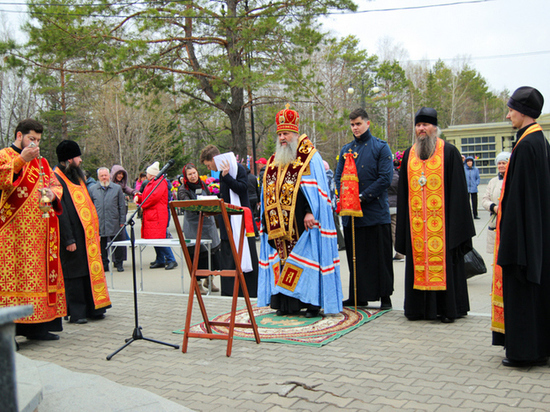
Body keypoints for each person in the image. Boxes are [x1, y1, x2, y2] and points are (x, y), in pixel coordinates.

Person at [257, 106, 342, 317]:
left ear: (296, 133)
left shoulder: (309, 156)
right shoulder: (275, 159)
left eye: (286, 133)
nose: (282, 137)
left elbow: (313, 190)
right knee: (283, 261)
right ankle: (287, 305)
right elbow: (268, 191)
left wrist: (309, 212)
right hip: (280, 225)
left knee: (308, 261)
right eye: (279, 134)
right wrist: (266, 220)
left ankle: (312, 304)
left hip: (303, 222)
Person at [396, 107, 475, 323]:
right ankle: (418, 309)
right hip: (417, 231)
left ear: (435, 128)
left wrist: (456, 229)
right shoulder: (408, 156)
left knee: (445, 265)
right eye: (418, 125)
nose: (421, 129)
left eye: (426, 125)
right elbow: (403, 195)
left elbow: (459, 194)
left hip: (444, 229)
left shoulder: (449, 152)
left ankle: (447, 309)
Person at [494, 86, 550, 367]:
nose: (508, 115)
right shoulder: (537, 139)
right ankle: (538, 347)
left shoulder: (527, 145)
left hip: (523, 239)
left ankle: (524, 352)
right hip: (535, 234)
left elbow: (519, 200)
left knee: (523, 295)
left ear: (524, 112)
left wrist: (513, 244)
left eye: (511, 110)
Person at [0, 119, 66, 341]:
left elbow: (55, 185)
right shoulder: (5, 155)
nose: (35, 144)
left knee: (36, 280)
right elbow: (3, 181)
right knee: (13, 281)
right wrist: (20, 161)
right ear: (19, 136)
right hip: (11, 235)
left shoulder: (42, 162)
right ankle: (8, 335)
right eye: (32, 139)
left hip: (39, 234)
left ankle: (37, 328)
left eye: (38, 140)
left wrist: (52, 194)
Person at [335, 108, 394, 310]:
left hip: (375, 213)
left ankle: (385, 296)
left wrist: (361, 197)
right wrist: (342, 197)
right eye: (352, 125)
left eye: (358, 123)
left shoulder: (381, 147)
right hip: (353, 216)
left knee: (380, 258)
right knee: (356, 258)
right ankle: (357, 295)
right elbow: (338, 177)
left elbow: (385, 178)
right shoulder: (346, 150)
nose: (355, 128)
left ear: (367, 123)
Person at [54, 140, 111, 324]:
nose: (80, 161)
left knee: (88, 270)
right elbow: (61, 212)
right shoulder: (56, 178)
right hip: (70, 235)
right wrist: (68, 238)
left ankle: (94, 309)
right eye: (78, 157)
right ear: (69, 159)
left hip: (87, 235)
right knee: (74, 273)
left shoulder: (77, 177)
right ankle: (77, 312)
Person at [200, 144, 258, 297]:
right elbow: (224, 198)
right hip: (227, 221)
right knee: (228, 256)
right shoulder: (222, 173)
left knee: (245, 255)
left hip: (241, 221)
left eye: (208, 165)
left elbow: (242, 188)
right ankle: (229, 292)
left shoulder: (237, 169)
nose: (209, 168)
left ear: (213, 159)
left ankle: (249, 291)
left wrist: (227, 178)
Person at [177, 163, 221, 294]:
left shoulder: (203, 185)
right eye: (190, 174)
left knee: (213, 254)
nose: (193, 176)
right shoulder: (183, 189)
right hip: (194, 225)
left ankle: (210, 279)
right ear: (185, 176)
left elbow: (210, 197)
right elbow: (186, 204)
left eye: (194, 173)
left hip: (208, 224)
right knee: (198, 255)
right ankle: (198, 283)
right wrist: (200, 206)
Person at [136, 161, 178, 270]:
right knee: (154, 238)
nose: (146, 174)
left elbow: (153, 197)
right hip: (153, 215)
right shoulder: (154, 182)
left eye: (148, 172)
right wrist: (140, 198)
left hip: (157, 215)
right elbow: (147, 196)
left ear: (152, 174)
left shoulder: (160, 182)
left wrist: (142, 202)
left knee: (160, 238)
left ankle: (171, 259)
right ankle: (160, 259)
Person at [89, 167, 126, 272]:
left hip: (114, 221)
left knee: (118, 244)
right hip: (100, 222)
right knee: (102, 246)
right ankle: (104, 264)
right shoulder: (92, 189)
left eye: (105, 175)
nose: (104, 177)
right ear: (98, 177)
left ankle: (119, 263)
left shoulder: (117, 188)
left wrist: (122, 221)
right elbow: (90, 207)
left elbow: (121, 206)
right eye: (102, 176)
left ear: (109, 176)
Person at [481, 152, 510, 254]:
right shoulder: (493, 181)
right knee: (496, 254)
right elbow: (485, 199)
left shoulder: (513, 180)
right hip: (495, 221)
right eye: (499, 163)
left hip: (509, 221)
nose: (501, 165)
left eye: (504, 163)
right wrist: (493, 207)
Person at [110, 165, 137, 269]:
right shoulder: (110, 185)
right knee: (113, 237)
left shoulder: (121, 185)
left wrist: (135, 192)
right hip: (112, 214)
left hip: (121, 213)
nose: (120, 176)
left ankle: (119, 260)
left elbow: (129, 189)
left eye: (122, 174)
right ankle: (114, 260)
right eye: (118, 174)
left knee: (121, 236)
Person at [324, 160, 345, 251]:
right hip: (332, 204)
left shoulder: (326, 178)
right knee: (334, 223)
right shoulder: (330, 176)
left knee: (333, 224)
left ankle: (342, 243)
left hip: (329, 205)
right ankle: (341, 242)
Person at [389, 153, 404, 261]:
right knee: (395, 229)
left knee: (389, 231)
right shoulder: (398, 176)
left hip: (388, 205)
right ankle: (399, 252)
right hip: (396, 204)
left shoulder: (387, 176)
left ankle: (397, 252)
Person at [246, 167, 260, 237]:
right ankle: (256, 232)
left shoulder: (244, 178)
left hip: (248, 198)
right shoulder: (253, 177)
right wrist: (259, 200)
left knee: (249, 216)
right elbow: (257, 188)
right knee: (254, 215)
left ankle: (254, 232)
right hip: (254, 197)